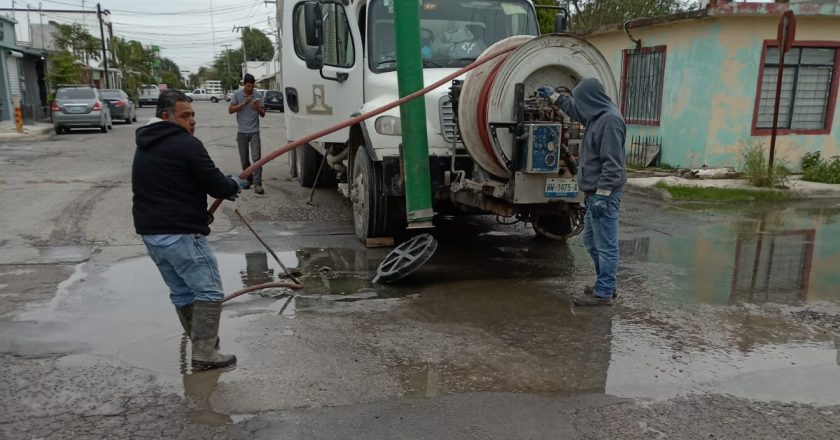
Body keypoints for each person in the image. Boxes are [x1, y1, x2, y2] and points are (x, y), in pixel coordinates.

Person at [132, 89, 248, 369]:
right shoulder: (186, 145)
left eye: (193, 114)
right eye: (186, 116)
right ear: (166, 117)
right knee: (209, 292)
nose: (192, 121)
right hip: (181, 234)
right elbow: (217, 185)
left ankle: (202, 344)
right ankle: (205, 353)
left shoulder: (146, 144)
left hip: (152, 236)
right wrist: (235, 184)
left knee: (183, 293)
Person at [538, 78, 627, 306]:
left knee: (606, 245)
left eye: (582, 101)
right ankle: (605, 285)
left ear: (591, 99)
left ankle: (604, 292)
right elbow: (575, 109)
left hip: (603, 195)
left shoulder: (609, 122)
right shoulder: (596, 114)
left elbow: (613, 164)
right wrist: (554, 97)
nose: (580, 107)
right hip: (593, 193)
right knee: (591, 241)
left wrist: (603, 195)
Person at [229, 74, 266, 194]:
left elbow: (263, 114)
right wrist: (242, 104)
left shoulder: (258, 95)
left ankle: (258, 184)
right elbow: (230, 110)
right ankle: (248, 180)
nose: (250, 88)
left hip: (254, 131)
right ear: (243, 84)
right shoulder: (237, 95)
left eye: (252, 86)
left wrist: (256, 107)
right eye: (248, 86)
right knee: (244, 159)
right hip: (241, 132)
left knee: (257, 159)